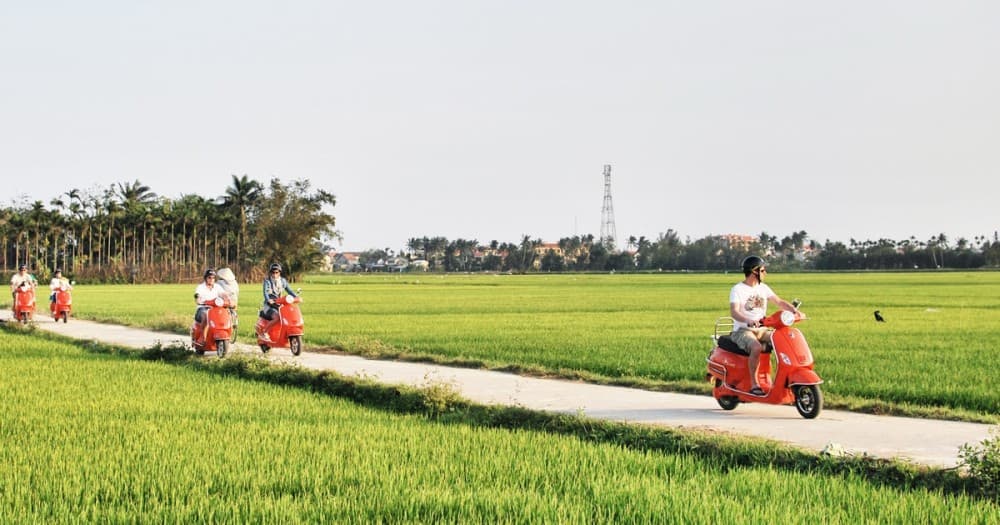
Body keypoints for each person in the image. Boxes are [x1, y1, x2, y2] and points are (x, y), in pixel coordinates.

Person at [729, 255, 801, 396]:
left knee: (783, 341)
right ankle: (754, 384)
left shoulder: (763, 288)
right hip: (743, 330)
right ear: (754, 271)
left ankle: (783, 380)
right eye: (763, 270)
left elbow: (779, 302)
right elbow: (734, 312)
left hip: (762, 329)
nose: (765, 273)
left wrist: (794, 311)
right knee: (756, 347)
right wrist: (747, 320)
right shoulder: (737, 289)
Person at [257, 263, 298, 343]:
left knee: (289, 316)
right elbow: (265, 292)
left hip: (280, 304)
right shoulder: (267, 281)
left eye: (277, 272)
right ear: (270, 272)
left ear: (280, 273)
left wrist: (296, 297)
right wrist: (269, 299)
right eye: (273, 272)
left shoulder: (283, 281)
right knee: (277, 317)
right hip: (269, 306)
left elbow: (289, 290)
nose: (275, 274)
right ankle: (264, 332)